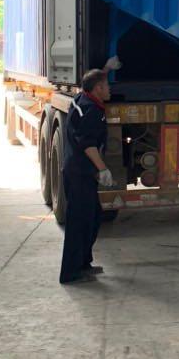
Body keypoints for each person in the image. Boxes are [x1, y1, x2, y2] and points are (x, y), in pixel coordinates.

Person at [59, 68, 114, 285]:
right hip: (79, 174)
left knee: (92, 217)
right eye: (107, 85)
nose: (110, 89)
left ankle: (83, 264)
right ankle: (71, 273)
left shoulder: (83, 99)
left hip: (81, 172)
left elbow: (92, 81)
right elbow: (88, 144)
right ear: (98, 89)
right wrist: (103, 169)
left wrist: (106, 68)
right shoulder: (91, 111)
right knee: (79, 222)